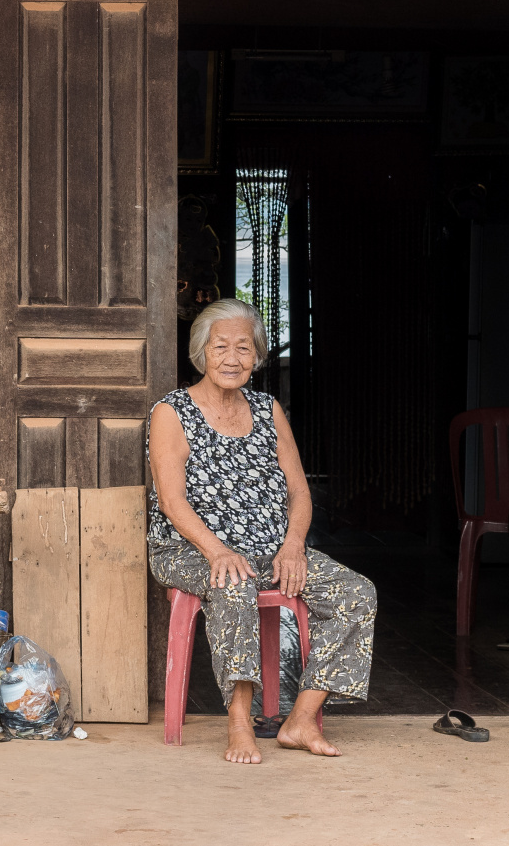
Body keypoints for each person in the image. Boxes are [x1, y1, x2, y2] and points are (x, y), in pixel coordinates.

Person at [147, 297, 377, 762]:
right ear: (201, 352)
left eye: (244, 348)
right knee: (233, 583)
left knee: (357, 593)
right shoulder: (171, 412)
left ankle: (300, 719)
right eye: (221, 347)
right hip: (189, 548)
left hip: (271, 548)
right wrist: (217, 550)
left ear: (257, 355)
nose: (232, 358)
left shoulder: (267, 409)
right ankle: (239, 722)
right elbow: (172, 502)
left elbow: (299, 492)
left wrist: (293, 546)